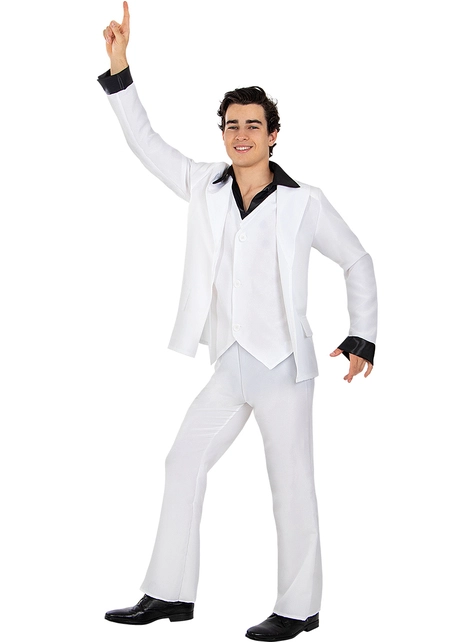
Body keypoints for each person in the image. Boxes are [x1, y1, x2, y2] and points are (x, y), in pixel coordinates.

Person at [98, 3, 377, 640]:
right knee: (182, 461)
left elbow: (358, 260)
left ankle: (299, 609)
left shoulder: (305, 203)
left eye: (254, 125)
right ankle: (169, 593)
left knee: (291, 485)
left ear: (274, 134)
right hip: (230, 361)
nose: (242, 134)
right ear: (222, 133)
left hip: (284, 368)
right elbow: (145, 143)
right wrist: (120, 70)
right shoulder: (204, 185)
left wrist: (361, 333)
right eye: (232, 125)